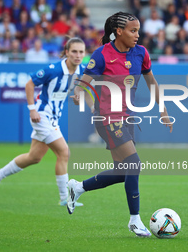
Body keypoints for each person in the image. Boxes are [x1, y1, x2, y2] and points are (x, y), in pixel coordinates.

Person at [67, 12, 173, 237]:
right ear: (119, 32)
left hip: (127, 119)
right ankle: (134, 219)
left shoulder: (141, 53)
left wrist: (162, 108)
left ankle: (78, 187)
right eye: (133, 31)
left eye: (138, 30)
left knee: (124, 171)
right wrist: (78, 94)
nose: (137, 35)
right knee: (134, 163)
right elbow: (83, 83)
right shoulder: (102, 54)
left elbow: (151, 81)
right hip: (107, 118)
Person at [0, 37, 86, 206]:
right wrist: (32, 109)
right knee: (64, 152)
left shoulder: (82, 70)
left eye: (81, 52)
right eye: (74, 51)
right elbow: (30, 84)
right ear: (66, 52)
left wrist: (78, 96)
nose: (78, 55)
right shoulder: (54, 69)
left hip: (54, 118)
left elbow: (77, 89)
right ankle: (65, 197)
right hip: (42, 115)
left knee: (34, 157)